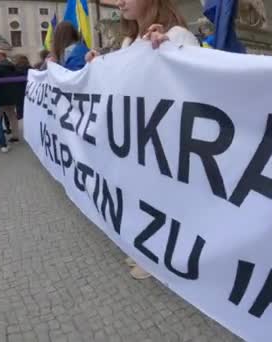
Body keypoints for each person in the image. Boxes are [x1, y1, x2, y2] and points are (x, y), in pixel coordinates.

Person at [86, 0, 199, 280]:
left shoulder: (178, 36)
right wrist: (98, 67)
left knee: (166, 199)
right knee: (142, 196)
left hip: (167, 141)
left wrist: (170, 52)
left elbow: (198, 89)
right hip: (137, 141)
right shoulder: (127, 41)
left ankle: (163, 257)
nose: (120, 1)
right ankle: (147, 248)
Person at [0, 50, 21, 143]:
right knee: (12, 116)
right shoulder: (12, 66)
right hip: (11, 95)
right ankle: (15, 136)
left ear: (0, 56)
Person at [15, 54, 32, 122]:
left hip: (19, 91)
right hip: (29, 90)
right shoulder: (30, 68)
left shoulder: (15, 69)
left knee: (20, 108)